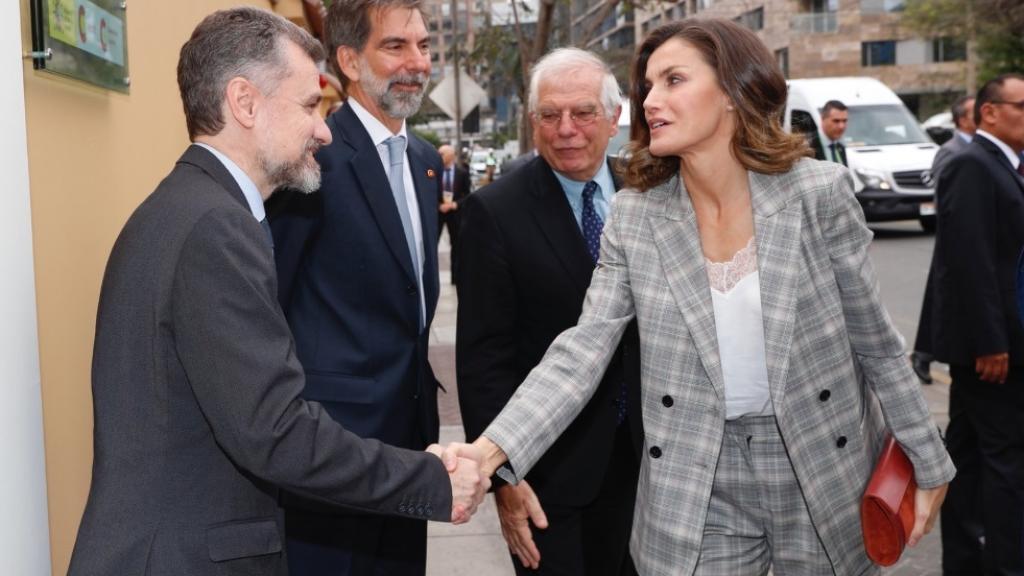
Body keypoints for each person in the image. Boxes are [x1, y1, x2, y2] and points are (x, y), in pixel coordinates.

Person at [463, 19, 953, 575]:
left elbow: (876, 342)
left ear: (732, 92)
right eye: (648, 85)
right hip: (698, 472)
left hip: (816, 460)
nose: (651, 100)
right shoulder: (637, 216)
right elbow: (582, 351)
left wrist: (928, 457)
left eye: (673, 80)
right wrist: (490, 451)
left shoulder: (817, 195)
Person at [67, 8, 487, 576]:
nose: (323, 129)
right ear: (245, 103)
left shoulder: (191, 208)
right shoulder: (216, 228)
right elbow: (275, 431)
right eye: (309, 106)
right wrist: (430, 481)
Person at [266, 0, 445, 574]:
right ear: (348, 60)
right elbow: (270, 304)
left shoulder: (424, 161)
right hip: (330, 457)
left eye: (423, 45)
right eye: (395, 46)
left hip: (408, 448)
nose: (417, 62)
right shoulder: (309, 159)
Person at [457, 47, 643, 575]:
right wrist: (504, 478)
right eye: (549, 115)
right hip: (548, 478)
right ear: (532, 122)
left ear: (613, 117)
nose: (566, 130)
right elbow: (483, 360)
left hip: (650, 469)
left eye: (583, 112)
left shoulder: (650, 196)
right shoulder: (494, 213)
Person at [931, 73, 1024, 576]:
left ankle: (967, 562)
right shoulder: (972, 165)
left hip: (995, 342)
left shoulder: (1005, 164)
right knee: (1005, 460)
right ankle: (1007, 565)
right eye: (1022, 106)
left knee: (966, 457)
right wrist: (990, 342)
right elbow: (970, 261)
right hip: (992, 349)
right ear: (990, 112)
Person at [910, 94, 976, 385]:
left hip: (972, 235)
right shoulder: (952, 151)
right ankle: (924, 355)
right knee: (943, 295)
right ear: (962, 119)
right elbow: (944, 194)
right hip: (955, 236)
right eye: (975, 112)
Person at [437, 144, 471, 286]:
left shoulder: (462, 173)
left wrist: (455, 204)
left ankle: (455, 278)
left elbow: (467, 195)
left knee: (456, 245)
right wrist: (438, 205)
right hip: (438, 213)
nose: (439, 156)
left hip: (455, 213)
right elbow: (427, 191)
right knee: (431, 244)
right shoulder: (433, 171)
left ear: (451, 156)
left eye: (442, 154)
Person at [815, 100, 848, 165]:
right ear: (822, 119)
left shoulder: (840, 147)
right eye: (836, 121)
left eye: (844, 121)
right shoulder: (809, 146)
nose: (841, 126)